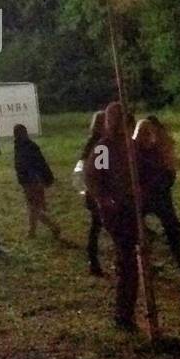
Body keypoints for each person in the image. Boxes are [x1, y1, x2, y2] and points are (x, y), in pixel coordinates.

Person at [85, 103, 140, 331]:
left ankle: (128, 310)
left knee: (134, 260)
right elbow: (95, 180)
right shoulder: (104, 148)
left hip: (133, 207)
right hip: (117, 212)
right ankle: (123, 314)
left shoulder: (131, 146)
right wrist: (106, 200)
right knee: (127, 262)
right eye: (114, 119)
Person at [133, 116, 180, 269]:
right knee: (137, 230)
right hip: (141, 197)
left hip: (160, 196)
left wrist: (161, 184)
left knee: (172, 227)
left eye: (148, 133)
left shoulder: (156, 151)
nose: (146, 136)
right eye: (143, 133)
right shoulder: (133, 152)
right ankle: (144, 263)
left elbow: (168, 173)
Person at [13, 123, 62, 240]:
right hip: (33, 180)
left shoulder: (22, 147)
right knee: (34, 206)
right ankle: (32, 232)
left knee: (33, 207)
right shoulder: (29, 146)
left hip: (31, 181)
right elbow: (41, 163)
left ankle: (53, 226)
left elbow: (27, 165)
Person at [79, 111, 108, 277]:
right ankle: (93, 261)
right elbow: (100, 170)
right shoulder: (101, 144)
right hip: (99, 193)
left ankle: (93, 260)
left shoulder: (92, 142)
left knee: (97, 226)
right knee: (98, 226)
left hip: (93, 191)